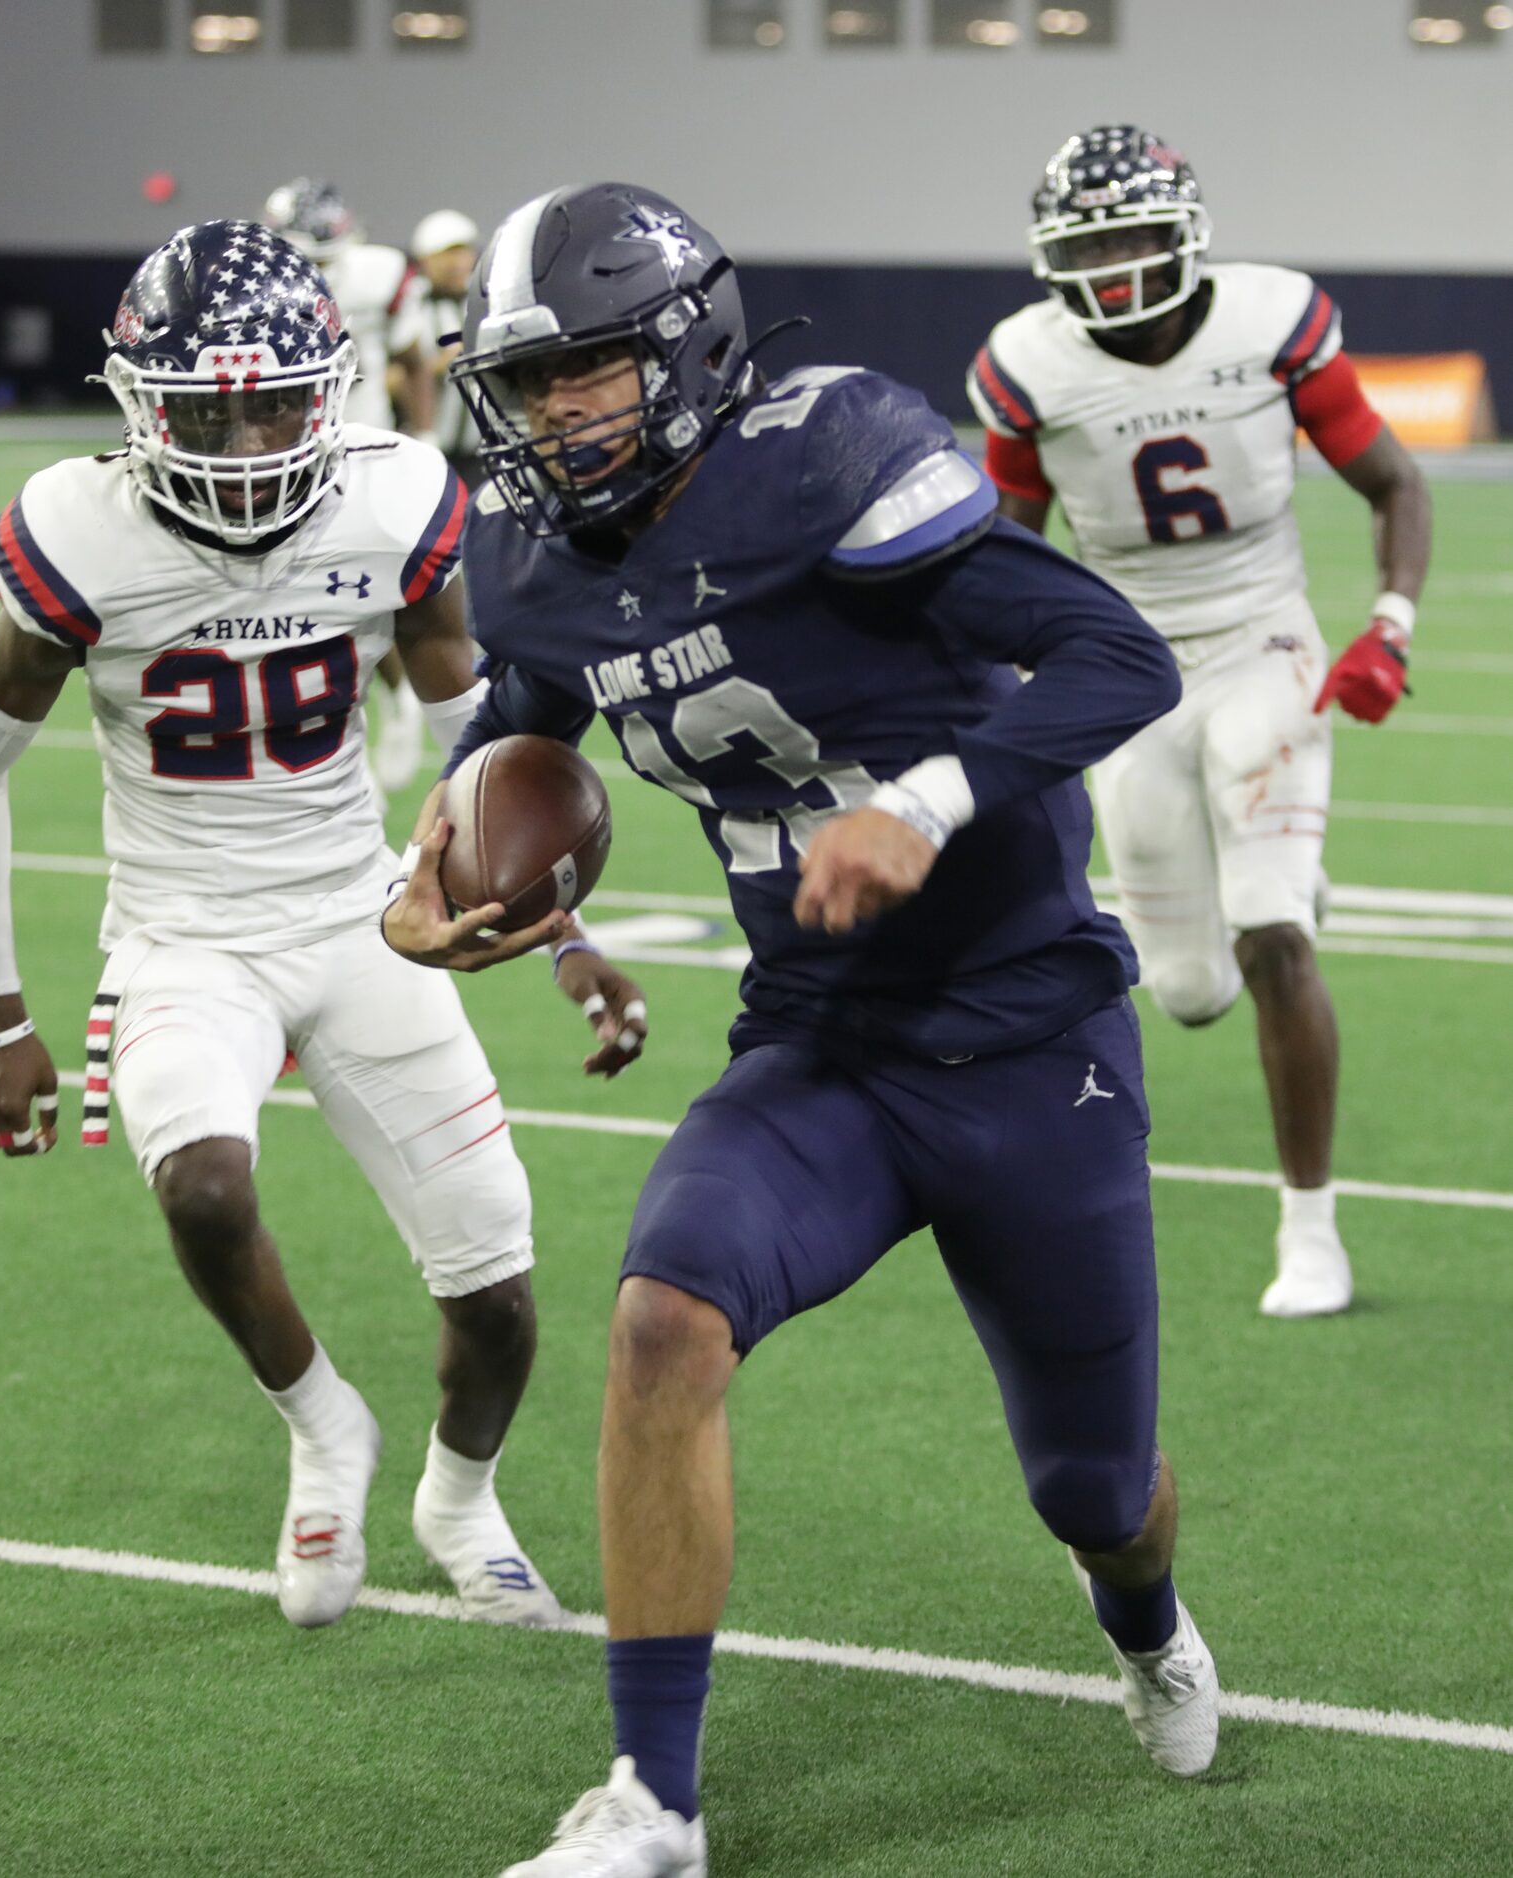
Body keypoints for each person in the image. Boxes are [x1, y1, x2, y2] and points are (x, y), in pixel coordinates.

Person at [380, 182, 1203, 1876]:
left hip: (1027, 1033)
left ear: (682, 347)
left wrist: (927, 797)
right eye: (524, 385)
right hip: (819, 1046)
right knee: (663, 1323)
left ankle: (1145, 1617)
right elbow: (517, 760)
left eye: (586, 371)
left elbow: (1119, 658)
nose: (549, 415)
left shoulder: (827, 456)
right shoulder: (530, 554)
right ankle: (655, 1803)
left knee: (1093, 1489)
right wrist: (493, 910)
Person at [0, 220, 649, 1633]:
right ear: (144, 407)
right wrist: (0, 1013)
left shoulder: (392, 502)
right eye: (213, 406)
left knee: (499, 1291)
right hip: (183, 934)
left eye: (275, 400)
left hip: (357, 915)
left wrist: (561, 932)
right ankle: (323, 1424)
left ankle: (460, 1493)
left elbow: (469, 723)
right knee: (202, 1184)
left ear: (328, 388)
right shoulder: (83, 534)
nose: (252, 435)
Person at [969, 127, 1432, 1319]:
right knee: (1185, 990)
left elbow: (1397, 482)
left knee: (1271, 933)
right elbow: (1005, 549)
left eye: (1135, 238)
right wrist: (1003, 686)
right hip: (1122, 669)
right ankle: (1272, 887)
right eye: (1093, 245)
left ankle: (1312, 1231)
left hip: (1261, 639)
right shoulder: (1027, 365)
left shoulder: (1270, 323)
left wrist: (1388, 624)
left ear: (1186, 233)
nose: (1118, 268)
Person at [263, 177, 436, 788]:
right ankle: (352, 720)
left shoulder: (380, 275)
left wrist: (426, 437)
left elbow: (415, 359)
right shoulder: (261, 282)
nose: (317, 272)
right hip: (286, 458)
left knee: (382, 592)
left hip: (370, 452)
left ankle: (403, 698)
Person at [410, 209, 483, 486]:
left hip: (480, 450)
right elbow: (395, 371)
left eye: (463, 252)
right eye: (447, 254)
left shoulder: (480, 300)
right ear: (426, 258)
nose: (457, 263)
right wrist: (439, 365)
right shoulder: (409, 303)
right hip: (429, 448)